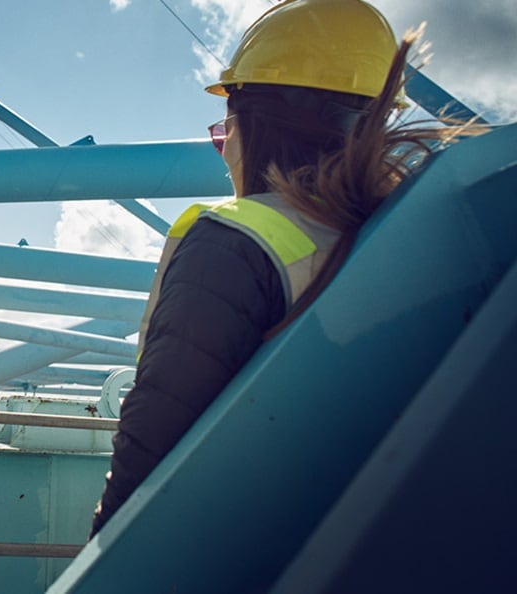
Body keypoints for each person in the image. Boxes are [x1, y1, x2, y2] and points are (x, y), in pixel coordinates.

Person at [90, 0, 469, 536]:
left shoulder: (234, 244)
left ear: (256, 125)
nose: (225, 155)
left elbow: (152, 449)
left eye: (224, 133)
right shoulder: (403, 239)